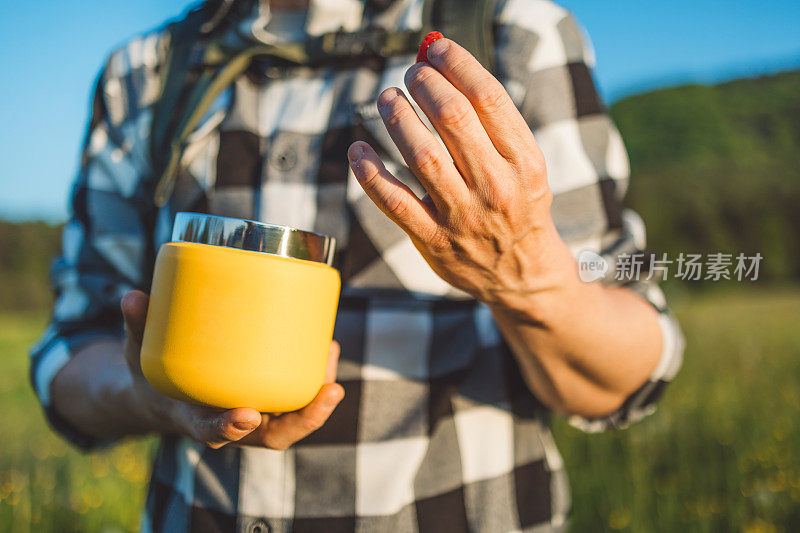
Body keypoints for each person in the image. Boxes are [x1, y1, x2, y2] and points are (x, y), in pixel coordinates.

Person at [30, 0, 684, 531]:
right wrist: (153, 398)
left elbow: (630, 367)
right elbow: (73, 349)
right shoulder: (146, 72)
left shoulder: (516, 37)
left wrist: (532, 282)